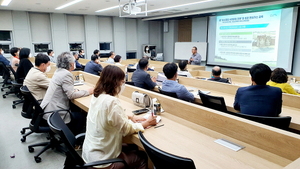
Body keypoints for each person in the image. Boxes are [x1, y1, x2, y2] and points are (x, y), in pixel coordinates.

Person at [82, 65, 157, 169]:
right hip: (102, 161)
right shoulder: (112, 101)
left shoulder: (97, 95)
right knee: (142, 157)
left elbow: (106, 114)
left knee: (132, 147)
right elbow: (125, 129)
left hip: (91, 153)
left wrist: (130, 117)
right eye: (122, 82)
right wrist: (146, 123)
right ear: (115, 82)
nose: (123, 85)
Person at [40, 52, 94, 135]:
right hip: (56, 112)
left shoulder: (58, 71)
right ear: (71, 64)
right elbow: (71, 95)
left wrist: (75, 90)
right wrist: (88, 91)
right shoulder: (66, 74)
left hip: (48, 109)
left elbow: (64, 89)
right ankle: (74, 140)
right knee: (82, 116)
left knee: (76, 109)